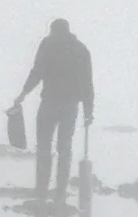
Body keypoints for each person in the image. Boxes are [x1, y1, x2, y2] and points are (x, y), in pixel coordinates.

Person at [12, 17, 94, 202]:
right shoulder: (81, 49)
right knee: (64, 146)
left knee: (43, 145)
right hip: (71, 105)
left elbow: (37, 71)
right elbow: (88, 83)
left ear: (52, 30)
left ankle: (41, 189)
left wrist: (23, 93)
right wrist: (89, 111)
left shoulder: (48, 44)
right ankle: (61, 191)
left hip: (50, 102)